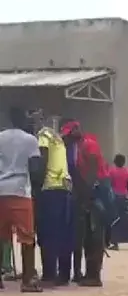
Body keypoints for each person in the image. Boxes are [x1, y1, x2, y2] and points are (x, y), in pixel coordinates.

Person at [59, 119, 112, 287]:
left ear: (76, 130)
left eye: (69, 134)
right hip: (89, 190)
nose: (68, 139)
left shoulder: (89, 144)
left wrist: (87, 196)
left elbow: (93, 171)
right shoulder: (78, 145)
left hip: (97, 190)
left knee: (95, 233)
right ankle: (89, 273)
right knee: (88, 233)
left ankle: (94, 275)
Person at [0, 106, 44, 292]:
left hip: (1, 191)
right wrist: (37, 190)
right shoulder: (30, 140)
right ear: (24, 118)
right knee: (27, 237)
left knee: (1, 236)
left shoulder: (0, 137)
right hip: (20, 192)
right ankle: (28, 280)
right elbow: (35, 168)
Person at [35, 120, 73, 285]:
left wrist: (36, 186)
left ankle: (49, 275)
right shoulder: (58, 138)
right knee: (62, 232)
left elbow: (43, 160)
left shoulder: (43, 135)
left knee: (47, 232)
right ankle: (64, 274)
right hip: (63, 188)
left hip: (49, 188)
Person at [107, 154, 128, 251]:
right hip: (125, 198)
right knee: (126, 221)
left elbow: (109, 183)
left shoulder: (111, 171)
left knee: (115, 220)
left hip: (114, 197)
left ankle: (114, 243)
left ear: (115, 161)